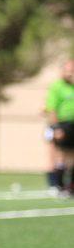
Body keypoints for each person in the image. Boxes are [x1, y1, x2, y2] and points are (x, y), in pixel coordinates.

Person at [46, 59, 74, 194]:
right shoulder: (57, 87)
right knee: (59, 156)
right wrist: (56, 127)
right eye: (69, 71)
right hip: (62, 125)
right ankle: (58, 185)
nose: (71, 74)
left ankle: (71, 186)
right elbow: (51, 108)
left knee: (72, 157)